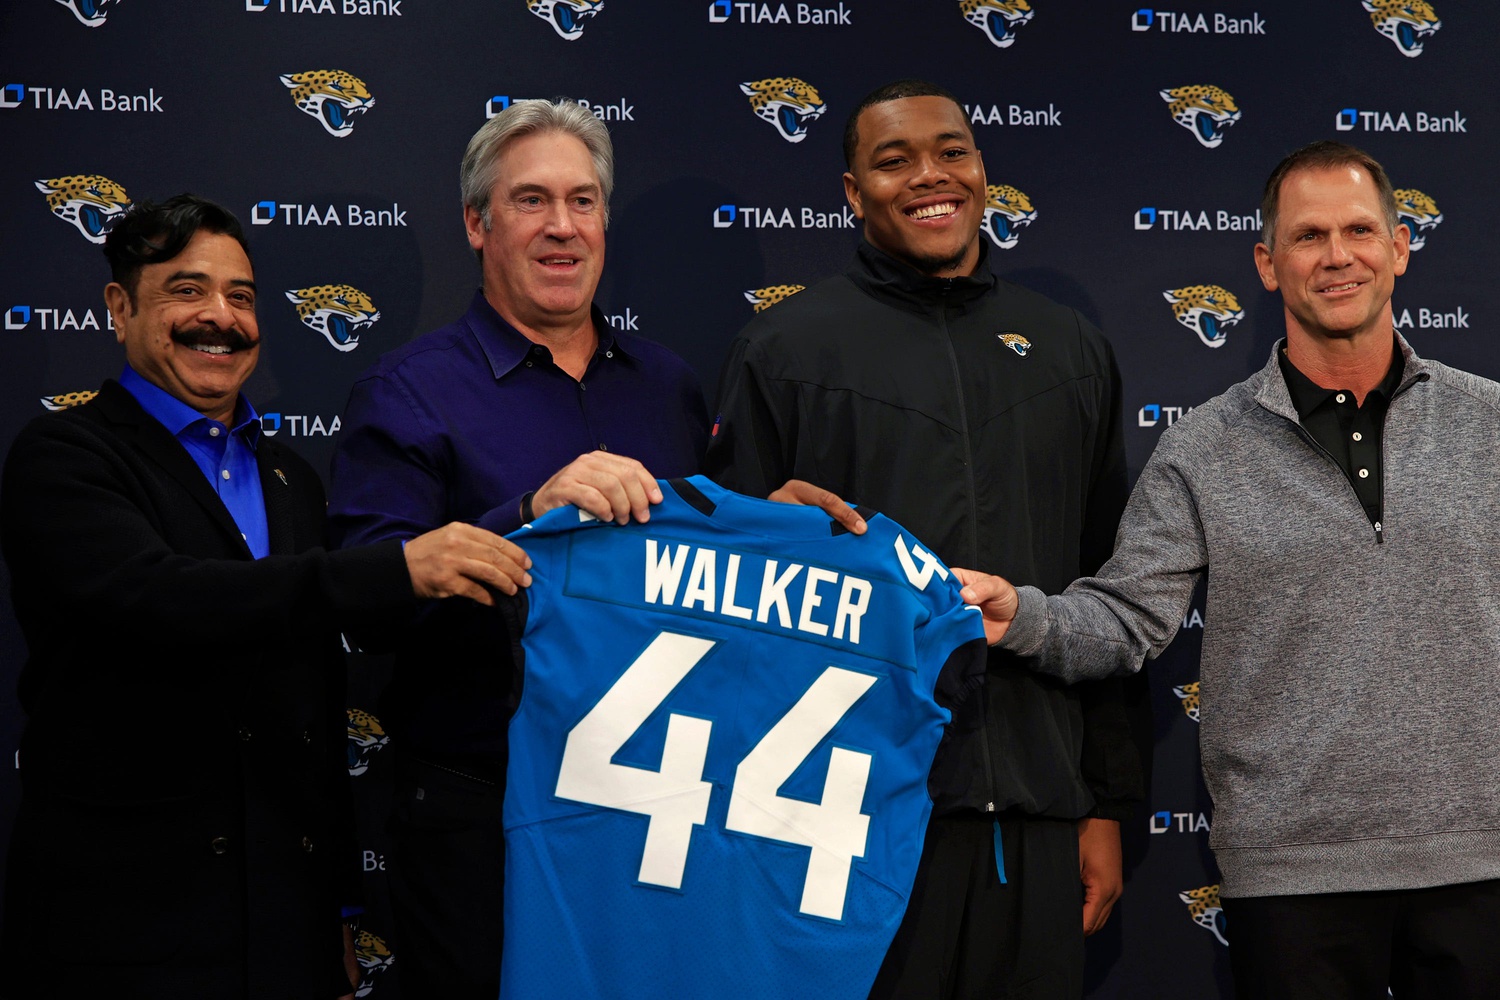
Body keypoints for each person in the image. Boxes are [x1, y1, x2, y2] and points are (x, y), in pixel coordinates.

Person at [965, 140, 1500, 998]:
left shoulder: (1490, 424)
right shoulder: (1203, 449)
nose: (1337, 256)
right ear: (1266, 262)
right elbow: (1128, 616)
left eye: (1359, 230)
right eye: (1308, 235)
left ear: (1399, 247)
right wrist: (1019, 616)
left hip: (1485, 859)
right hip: (1293, 876)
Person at [0, 195, 531, 999]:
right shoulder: (65, 457)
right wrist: (396, 567)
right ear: (119, 306)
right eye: (187, 290)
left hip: (286, 929)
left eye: (241, 297)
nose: (220, 317)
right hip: (122, 932)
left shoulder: (290, 478)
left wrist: (343, 904)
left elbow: (320, 705)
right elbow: (163, 600)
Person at [705, 79, 1145, 999]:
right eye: (893, 160)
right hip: (846, 817)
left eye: (952, 151)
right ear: (852, 191)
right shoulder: (784, 349)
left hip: (1034, 808)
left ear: (983, 170)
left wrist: (1104, 805)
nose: (930, 176)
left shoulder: (1070, 349)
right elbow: (720, 607)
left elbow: (1112, 593)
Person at [326, 99, 717, 997]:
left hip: (654, 812)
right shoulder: (406, 392)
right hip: (485, 815)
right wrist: (529, 515)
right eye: (531, 200)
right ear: (477, 223)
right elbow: (369, 598)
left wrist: (788, 522)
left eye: (582, 202)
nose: (561, 227)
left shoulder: (669, 385)